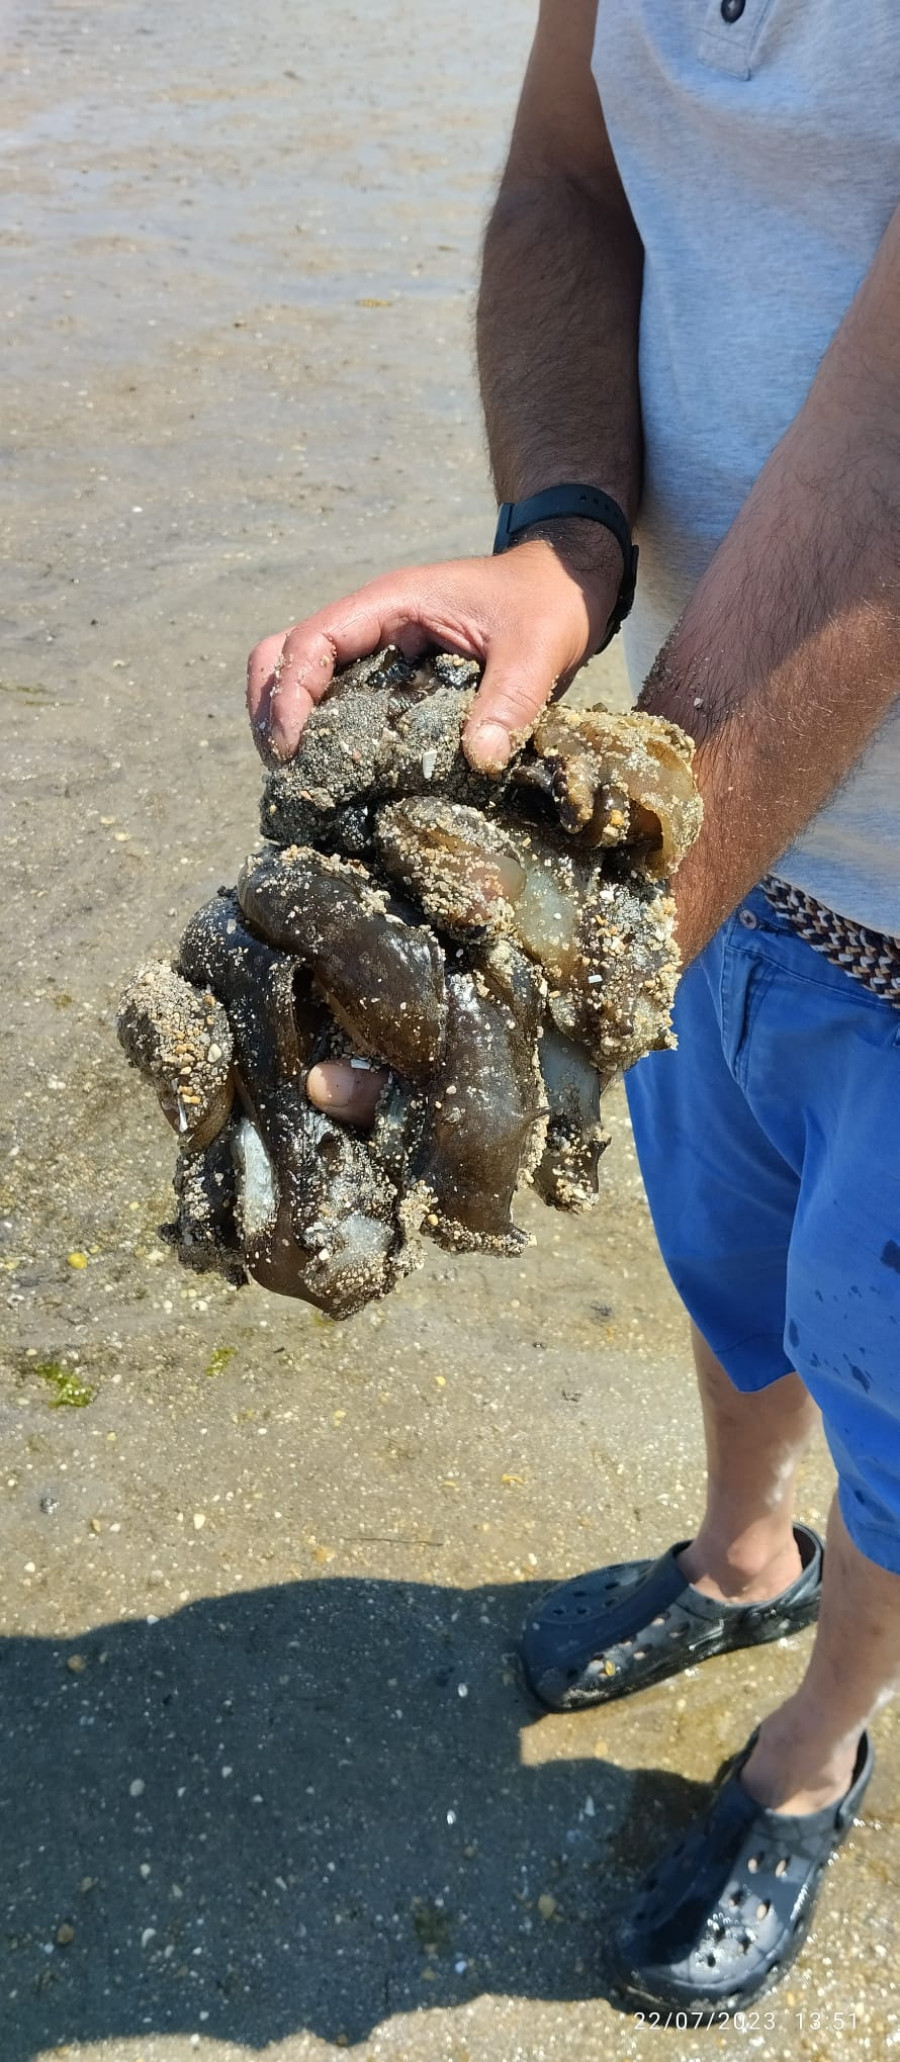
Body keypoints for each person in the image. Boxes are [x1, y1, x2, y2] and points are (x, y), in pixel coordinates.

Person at [246, 1, 900, 2013]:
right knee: (723, 1253)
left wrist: (551, 941)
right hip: (728, 826)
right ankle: (733, 1552)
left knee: (893, 1381)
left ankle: (823, 1735)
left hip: (768, 852)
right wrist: (565, 539)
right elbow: (564, 184)